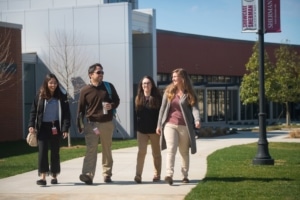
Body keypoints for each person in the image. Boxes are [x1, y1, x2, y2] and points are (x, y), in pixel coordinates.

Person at [156, 68, 201, 185]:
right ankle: (169, 175)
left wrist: (197, 120)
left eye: (175, 76)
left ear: (182, 78)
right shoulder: (169, 91)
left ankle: (184, 175)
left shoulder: (189, 93)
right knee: (171, 148)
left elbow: (195, 108)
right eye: (173, 77)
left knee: (184, 151)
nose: (173, 79)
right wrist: (159, 125)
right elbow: (162, 109)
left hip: (184, 126)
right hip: (169, 124)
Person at [77, 63, 120, 185]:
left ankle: (107, 174)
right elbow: (80, 109)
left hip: (107, 123)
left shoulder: (108, 86)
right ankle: (88, 175)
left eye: (102, 72)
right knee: (91, 149)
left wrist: (111, 105)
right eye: (98, 72)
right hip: (92, 125)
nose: (101, 74)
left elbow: (117, 100)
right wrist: (79, 125)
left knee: (107, 149)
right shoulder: (85, 90)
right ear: (91, 75)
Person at [28, 73, 71, 186]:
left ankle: (54, 175)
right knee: (42, 152)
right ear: (46, 83)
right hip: (42, 128)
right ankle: (42, 177)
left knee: (55, 152)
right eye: (51, 83)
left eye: (55, 83)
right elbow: (33, 111)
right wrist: (31, 125)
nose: (53, 85)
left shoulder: (61, 96)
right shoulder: (40, 95)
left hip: (55, 127)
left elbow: (66, 113)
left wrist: (65, 128)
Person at [134, 76, 162, 183]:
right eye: (144, 83)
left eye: (148, 83)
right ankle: (138, 175)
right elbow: (136, 115)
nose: (146, 85)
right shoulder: (138, 98)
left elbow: (160, 114)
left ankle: (157, 174)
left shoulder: (157, 98)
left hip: (154, 130)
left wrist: (159, 127)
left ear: (152, 85)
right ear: (141, 86)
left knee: (156, 153)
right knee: (141, 152)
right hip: (141, 131)